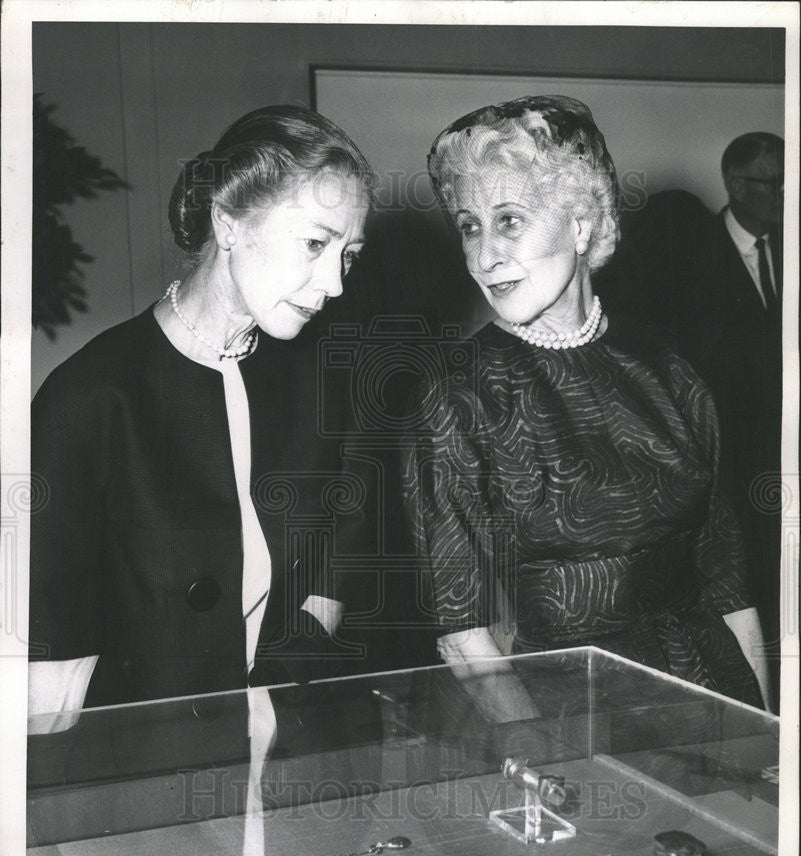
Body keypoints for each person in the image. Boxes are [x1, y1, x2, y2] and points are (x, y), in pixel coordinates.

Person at [402, 96, 771, 713]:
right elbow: (463, 634)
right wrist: (543, 765)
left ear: (580, 223)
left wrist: (766, 737)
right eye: (470, 225)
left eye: (510, 220)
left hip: (711, 694)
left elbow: (731, 590)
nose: (484, 255)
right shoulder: (458, 392)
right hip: (565, 715)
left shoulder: (670, 373)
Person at [28, 105, 373, 728]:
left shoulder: (324, 381)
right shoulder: (88, 398)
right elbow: (45, 663)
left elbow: (342, 540)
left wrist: (302, 647)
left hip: (295, 749)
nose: (336, 283)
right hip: (146, 771)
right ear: (229, 221)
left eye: (348, 254)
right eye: (316, 243)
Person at [605, 134, 784, 690]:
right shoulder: (686, 258)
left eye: (790, 183)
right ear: (734, 184)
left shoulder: (794, 247)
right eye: (770, 183)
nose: (783, 195)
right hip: (729, 473)